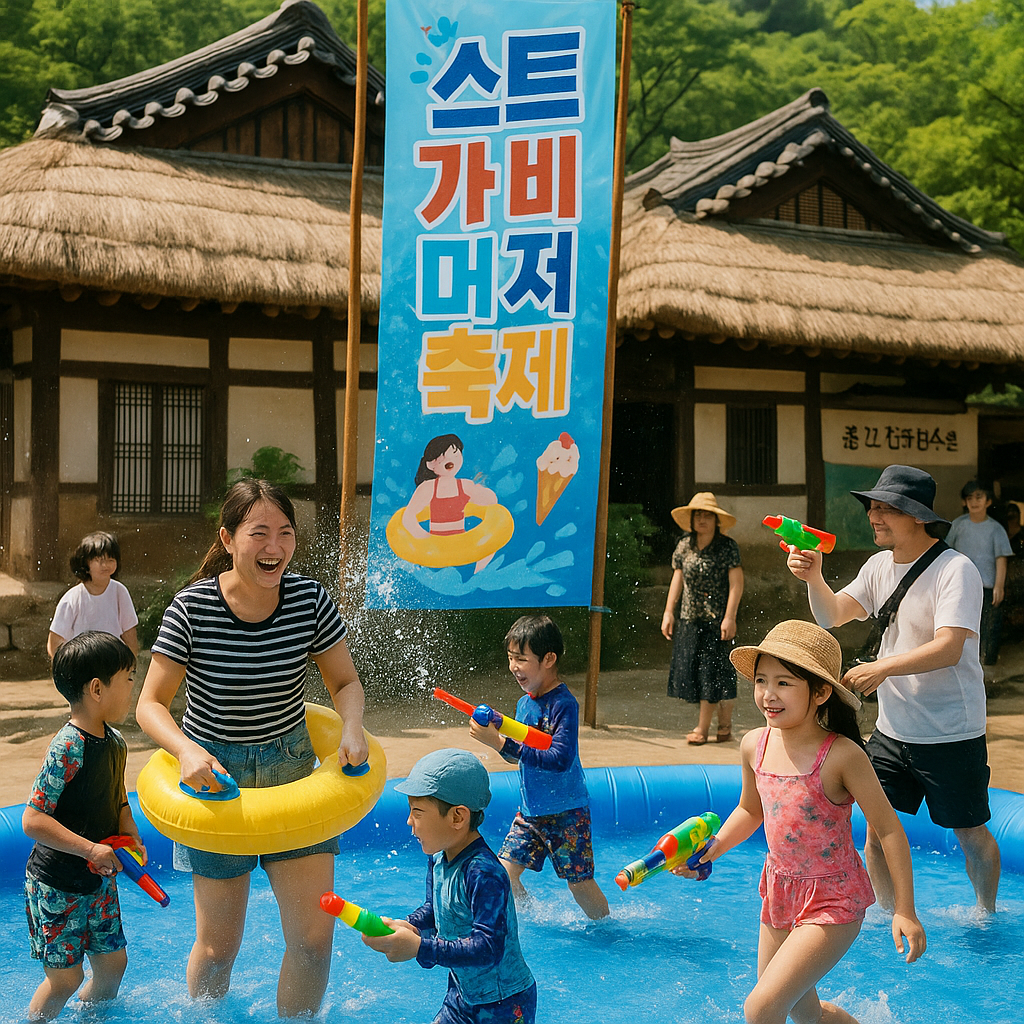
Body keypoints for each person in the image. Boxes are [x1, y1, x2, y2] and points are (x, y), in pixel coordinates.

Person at [135, 478, 368, 1016]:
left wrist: (350, 727)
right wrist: (186, 752)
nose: (275, 546)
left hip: (293, 774)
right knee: (219, 951)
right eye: (259, 532)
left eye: (285, 533)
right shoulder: (191, 608)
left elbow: (345, 684)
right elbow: (150, 704)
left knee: (313, 942)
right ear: (228, 537)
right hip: (216, 782)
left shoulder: (310, 601)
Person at [676, 620, 925, 1024]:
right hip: (780, 892)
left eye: (784, 683)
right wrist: (714, 848)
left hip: (834, 899)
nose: (768, 695)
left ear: (821, 692)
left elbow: (890, 829)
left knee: (761, 1007)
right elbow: (750, 811)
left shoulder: (841, 756)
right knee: (803, 1012)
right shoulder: (754, 744)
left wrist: (905, 910)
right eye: (761, 681)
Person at [787, 464, 1001, 913]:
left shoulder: (955, 569)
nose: (874, 517)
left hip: (950, 732)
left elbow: (948, 647)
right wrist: (813, 578)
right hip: (891, 731)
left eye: (888, 509)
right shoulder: (878, 565)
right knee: (876, 834)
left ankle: (986, 913)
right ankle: (889, 916)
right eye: (873, 508)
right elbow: (831, 615)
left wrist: (882, 668)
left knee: (970, 833)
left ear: (919, 516)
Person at [362, 749, 537, 1024]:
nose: (409, 821)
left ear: (457, 817)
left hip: (504, 1003)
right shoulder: (439, 858)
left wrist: (420, 948)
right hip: (462, 995)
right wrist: (409, 926)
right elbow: (435, 909)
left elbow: (488, 948)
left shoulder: (484, 873)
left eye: (417, 812)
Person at [23, 632, 141, 1021]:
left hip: (98, 879)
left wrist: (130, 831)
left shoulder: (117, 742)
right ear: (96, 689)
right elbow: (33, 819)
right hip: (57, 883)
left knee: (113, 965)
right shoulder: (67, 747)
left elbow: (118, 796)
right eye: (127, 677)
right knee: (65, 979)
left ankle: (89, 1019)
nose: (132, 686)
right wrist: (90, 849)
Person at [468, 614, 610, 919]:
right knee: (505, 874)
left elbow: (560, 759)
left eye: (521, 659)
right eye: (510, 658)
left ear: (548, 659)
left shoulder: (564, 705)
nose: (513, 667)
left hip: (567, 812)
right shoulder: (525, 703)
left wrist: (500, 743)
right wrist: (500, 733)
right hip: (531, 813)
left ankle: (608, 930)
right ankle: (535, 918)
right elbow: (520, 755)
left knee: (579, 884)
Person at [660, 492, 744, 744]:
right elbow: (678, 578)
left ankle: (704, 728)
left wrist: (730, 617)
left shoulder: (727, 547)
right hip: (689, 618)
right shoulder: (684, 544)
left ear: (717, 520)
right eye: (698, 515)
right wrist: (668, 612)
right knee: (697, 672)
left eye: (708, 515)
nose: (702, 520)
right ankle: (724, 722)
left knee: (713, 673)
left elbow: (736, 584)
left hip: (717, 621)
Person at [401, 434, 499, 571]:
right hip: (436, 545)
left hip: (461, 543)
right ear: (431, 464)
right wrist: (425, 538)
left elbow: (491, 501)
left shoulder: (465, 485)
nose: (450, 461)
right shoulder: (428, 487)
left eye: (455, 455)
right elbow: (408, 517)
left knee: (491, 545)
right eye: (443, 457)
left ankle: (477, 573)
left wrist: (479, 487)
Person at [946, 479, 1013, 666]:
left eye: (979, 497)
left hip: (987, 588)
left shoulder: (995, 529)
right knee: (961, 627)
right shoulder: (957, 525)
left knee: (989, 629)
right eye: (969, 498)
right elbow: (947, 554)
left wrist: (999, 585)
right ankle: (963, 666)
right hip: (960, 587)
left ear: (988, 501)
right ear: (963, 502)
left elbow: (1001, 558)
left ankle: (987, 670)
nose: (974, 502)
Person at [47, 532, 138, 659]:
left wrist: (130, 665)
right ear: (85, 563)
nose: (105, 565)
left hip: (113, 662)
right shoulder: (72, 598)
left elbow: (129, 633)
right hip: (81, 663)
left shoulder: (120, 592)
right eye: (99, 560)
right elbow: (55, 641)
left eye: (110, 560)